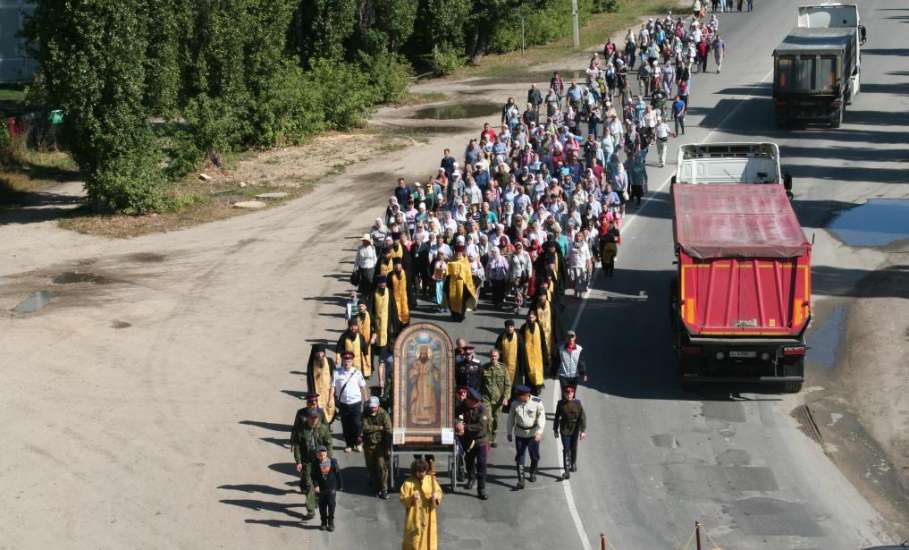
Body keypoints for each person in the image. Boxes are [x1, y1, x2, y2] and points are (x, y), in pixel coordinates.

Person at [291, 407, 333, 520]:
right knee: (309, 484)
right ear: (308, 418)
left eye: (316, 418)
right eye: (312, 418)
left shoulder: (323, 429)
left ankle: (315, 500)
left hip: (321, 461)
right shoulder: (302, 429)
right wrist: (298, 461)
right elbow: (297, 446)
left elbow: (329, 445)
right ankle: (310, 510)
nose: (314, 420)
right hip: (307, 461)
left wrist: (328, 459)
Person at [506, 385, 545, 489]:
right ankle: (521, 480)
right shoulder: (515, 403)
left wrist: (539, 432)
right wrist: (509, 432)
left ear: (527, 395)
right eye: (518, 395)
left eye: (520, 396)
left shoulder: (537, 402)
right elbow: (510, 418)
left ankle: (532, 472)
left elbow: (542, 417)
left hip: (533, 434)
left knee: (535, 456)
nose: (518, 397)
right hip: (520, 433)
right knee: (520, 455)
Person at [400, 459, 443, 550]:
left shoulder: (431, 480)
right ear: (415, 471)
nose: (421, 474)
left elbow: (439, 492)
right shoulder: (408, 483)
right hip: (414, 518)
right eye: (419, 472)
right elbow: (403, 499)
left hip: (429, 517)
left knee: (428, 541)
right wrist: (411, 498)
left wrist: (436, 496)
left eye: (423, 472)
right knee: (413, 541)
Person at [456, 388, 490, 500]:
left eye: (476, 402)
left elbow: (480, 426)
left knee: (481, 464)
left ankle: (481, 489)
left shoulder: (483, 409)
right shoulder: (464, 405)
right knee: (469, 460)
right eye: (473, 402)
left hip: (481, 440)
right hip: (468, 440)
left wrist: (464, 427)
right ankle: (471, 478)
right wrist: (458, 424)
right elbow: (455, 415)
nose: (475, 404)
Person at [334, 352, 368, 453]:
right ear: (342, 361)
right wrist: (329, 400)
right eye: (345, 360)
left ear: (352, 361)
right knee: (346, 425)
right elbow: (332, 387)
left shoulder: (357, 373)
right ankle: (349, 444)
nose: (347, 362)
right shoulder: (336, 373)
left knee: (357, 424)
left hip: (355, 403)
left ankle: (358, 443)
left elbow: (363, 387)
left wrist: (366, 401)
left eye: (349, 361)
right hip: (343, 403)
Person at [361, 396, 392, 499]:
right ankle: (375, 487)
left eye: (374, 407)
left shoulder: (384, 414)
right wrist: (379, 428)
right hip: (368, 444)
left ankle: (384, 489)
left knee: (382, 466)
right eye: (371, 407)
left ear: (378, 406)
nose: (372, 409)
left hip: (380, 444)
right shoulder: (365, 413)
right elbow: (364, 428)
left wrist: (387, 447)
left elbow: (388, 430)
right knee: (371, 467)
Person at [553, 385, 587, 480]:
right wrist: (555, 429)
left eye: (570, 393)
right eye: (567, 393)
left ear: (573, 394)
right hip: (564, 428)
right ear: (564, 394)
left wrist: (583, 431)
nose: (569, 395)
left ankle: (573, 463)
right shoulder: (560, 404)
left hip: (575, 428)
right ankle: (566, 470)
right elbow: (556, 417)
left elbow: (582, 417)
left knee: (574, 447)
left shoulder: (577, 403)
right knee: (566, 449)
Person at [481, 348, 511, 447]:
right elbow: (479, 383)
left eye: (495, 356)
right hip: (486, 399)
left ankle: (493, 437)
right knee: (488, 419)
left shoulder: (503, 369)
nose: (493, 358)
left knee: (496, 420)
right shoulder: (484, 368)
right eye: (492, 356)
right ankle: (488, 439)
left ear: (498, 357)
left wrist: (506, 397)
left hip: (498, 400)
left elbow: (507, 385)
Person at [309, 445, 343, 531]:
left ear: (326, 454)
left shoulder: (333, 462)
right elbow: (313, 476)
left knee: (331, 506)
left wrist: (340, 485)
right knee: (322, 506)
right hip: (321, 489)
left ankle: (331, 522)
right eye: (319, 455)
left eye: (323, 455)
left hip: (331, 488)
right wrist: (316, 485)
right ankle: (323, 522)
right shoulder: (315, 464)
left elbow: (338, 474)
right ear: (317, 455)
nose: (321, 457)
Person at [371, 275, 400, 365]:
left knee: (388, 334)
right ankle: (379, 350)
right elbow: (371, 307)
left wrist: (395, 320)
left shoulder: (389, 292)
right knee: (378, 335)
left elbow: (393, 306)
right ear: (378, 284)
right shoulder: (374, 293)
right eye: (381, 283)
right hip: (377, 320)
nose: (383, 285)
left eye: (384, 283)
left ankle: (386, 350)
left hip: (388, 318)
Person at [444, 245, 478, 322]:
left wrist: (461, 274)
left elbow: (468, 273)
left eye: (460, 253)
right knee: (451, 299)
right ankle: (453, 315)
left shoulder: (465, 261)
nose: (458, 254)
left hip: (462, 284)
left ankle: (460, 316)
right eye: (457, 252)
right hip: (452, 282)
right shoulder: (451, 260)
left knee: (461, 300)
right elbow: (447, 271)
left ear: (462, 253)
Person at [519, 309, 548, 396]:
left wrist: (545, 355)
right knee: (529, 374)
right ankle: (529, 392)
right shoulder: (524, 327)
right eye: (529, 317)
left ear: (535, 317)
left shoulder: (539, 327)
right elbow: (520, 341)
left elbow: (543, 342)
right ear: (527, 317)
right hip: (527, 356)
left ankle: (537, 389)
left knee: (538, 373)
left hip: (537, 356)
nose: (531, 318)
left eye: (533, 317)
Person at [306, 345, 336, 424]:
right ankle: (324, 427)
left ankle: (329, 424)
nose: (320, 356)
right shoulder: (311, 365)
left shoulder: (329, 361)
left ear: (324, 353)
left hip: (329, 391)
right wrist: (312, 394)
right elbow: (310, 381)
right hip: (317, 393)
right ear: (314, 354)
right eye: (318, 354)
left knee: (330, 409)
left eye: (321, 354)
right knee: (319, 411)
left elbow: (335, 376)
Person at [388, 257, 415, 330]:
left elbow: (409, 287)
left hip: (405, 298)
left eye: (399, 264)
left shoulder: (406, 274)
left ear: (401, 265)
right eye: (396, 265)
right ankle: (398, 332)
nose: (398, 266)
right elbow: (389, 289)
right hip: (395, 300)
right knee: (396, 317)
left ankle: (405, 330)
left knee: (406, 314)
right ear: (393, 266)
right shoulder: (390, 275)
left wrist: (412, 300)